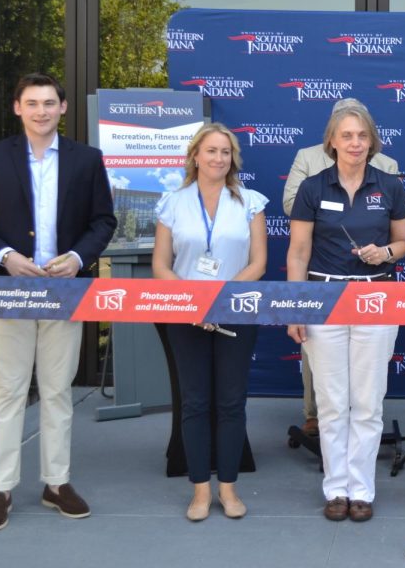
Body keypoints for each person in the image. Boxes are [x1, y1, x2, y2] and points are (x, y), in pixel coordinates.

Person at [0, 73, 116, 532]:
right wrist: (5, 256)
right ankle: (0, 487)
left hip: (63, 291)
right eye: (32, 103)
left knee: (56, 391)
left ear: (63, 108)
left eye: (49, 103)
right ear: (17, 108)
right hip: (9, 291)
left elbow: (102, 220)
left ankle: (56, 482)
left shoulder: (87, 160)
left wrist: (78, 257)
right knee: (7, 390)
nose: (42, 111)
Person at [284, 104, 405, 522]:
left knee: (368, 401)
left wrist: (387, 253)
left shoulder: (390, 186)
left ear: (372, 141)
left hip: (376, 298)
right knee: (332, 401)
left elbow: (404, 241)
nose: (355, 143)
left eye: (362, 136)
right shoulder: (312, 187)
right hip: (324, 298)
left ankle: (362, 490)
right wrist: (296, 307)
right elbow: (299, 251)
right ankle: (335, 488)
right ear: (333, 142)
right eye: (347, 136)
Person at [152, 124, 267, 521]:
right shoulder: (172, 203)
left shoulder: (250, 201)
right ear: (195, 156)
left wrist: (219, 300)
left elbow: (258, 263)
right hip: (186, 316)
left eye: (225, 152)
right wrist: (193, 302)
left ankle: (229, 490)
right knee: (196, 403)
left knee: (232, 403)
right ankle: (200, 491)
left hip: (236, 313)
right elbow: (160, 265)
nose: (218, 158)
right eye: (211, 150)